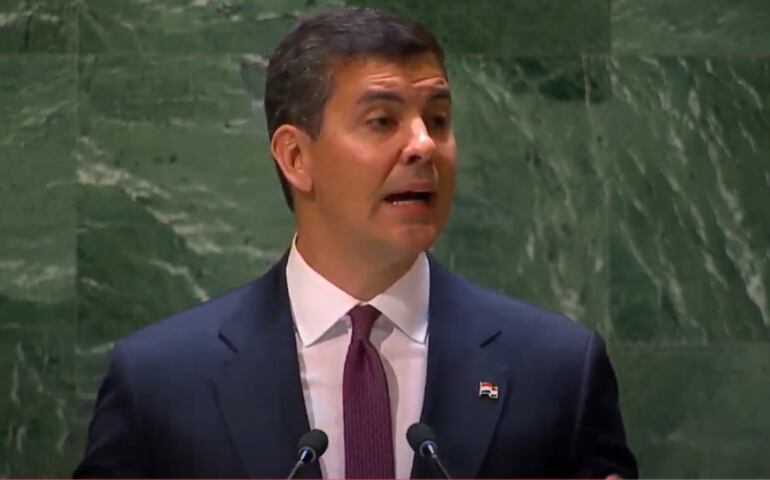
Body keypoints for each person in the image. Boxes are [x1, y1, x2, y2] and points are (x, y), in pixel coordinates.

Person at [74, 7, 638, 479]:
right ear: (296, 157)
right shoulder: (160, 382)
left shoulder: (557, 372)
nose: (423, 145)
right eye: (382, 121)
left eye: (438, 119)